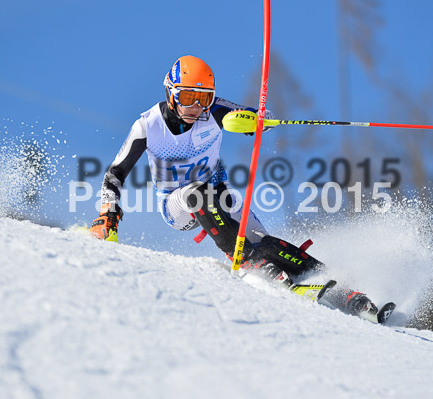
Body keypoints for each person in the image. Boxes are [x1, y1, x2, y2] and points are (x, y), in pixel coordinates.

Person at [90, 55, 379, 320]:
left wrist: (258, 122)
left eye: (203, 99)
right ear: (171, 92)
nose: (195, 107)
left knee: (266, 244)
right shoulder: (148, 126)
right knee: (198, 194)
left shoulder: (213, 112)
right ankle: (245, 261)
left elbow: (250, 118)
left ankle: (344, 292)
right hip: (176, 205)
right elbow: (114, 175)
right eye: (188, 97)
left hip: (221, 196)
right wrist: (109, 214)